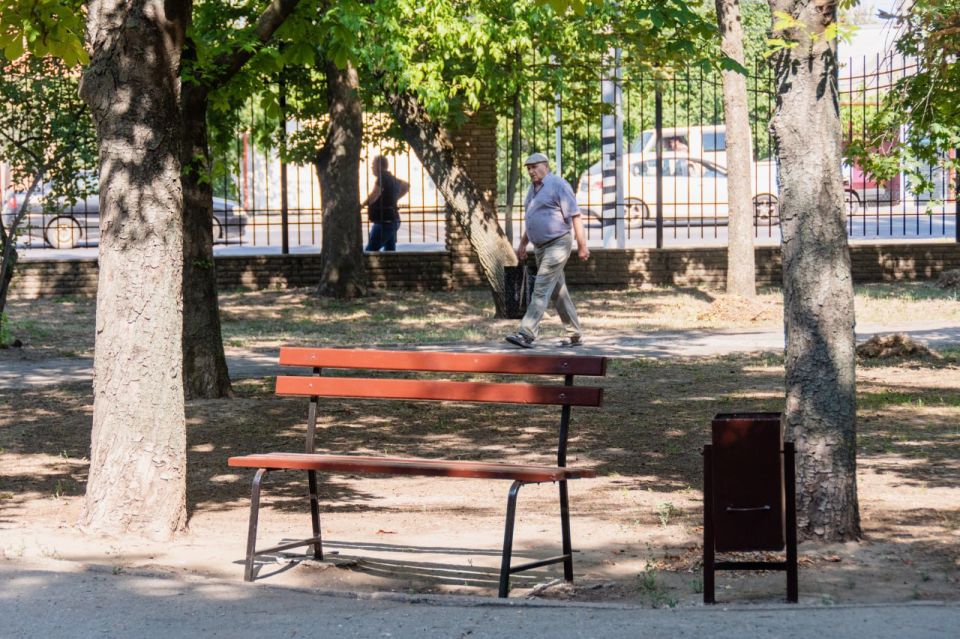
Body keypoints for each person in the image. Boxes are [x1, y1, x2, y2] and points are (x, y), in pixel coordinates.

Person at [505, 152, 590, 349]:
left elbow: (575, 215)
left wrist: (582, 245)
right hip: (540, 247)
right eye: (528, 168)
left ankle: (526, 333)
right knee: (558, 292)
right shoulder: (532, 189)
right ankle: (575, 334)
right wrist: (523, 243)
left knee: (541, 287)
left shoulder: (558, 185)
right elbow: (533, 217)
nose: (531, 171)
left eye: (534, 167)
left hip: (558, 243)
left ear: (545, 166)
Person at [362, 155, 409, 251]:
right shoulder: (391, 177)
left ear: (379, 165)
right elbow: (406, 185)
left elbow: (375, 193)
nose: (371, 167)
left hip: (384, 221)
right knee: (390, 251)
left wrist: (362, 205)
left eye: (373, 165)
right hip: (392, 220)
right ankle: (391, 266)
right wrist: (394, 198)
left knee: (370, 251)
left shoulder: (382, 176)